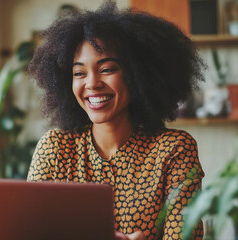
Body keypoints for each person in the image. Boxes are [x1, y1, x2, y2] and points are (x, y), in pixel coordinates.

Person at [27, 1, 205, 239]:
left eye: (107, 69)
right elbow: (30, 231)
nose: (91, 84)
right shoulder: (55, 149)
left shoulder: (173, 151)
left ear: (137, 75)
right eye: (79, 73)